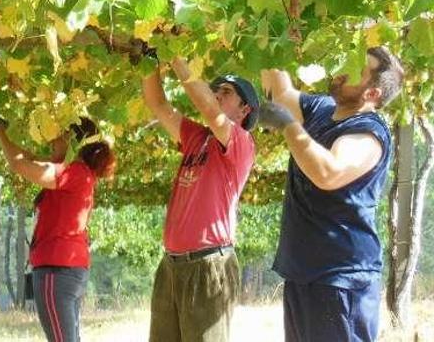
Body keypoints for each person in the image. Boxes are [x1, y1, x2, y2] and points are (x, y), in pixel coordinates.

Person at [258, 46, 404, 342]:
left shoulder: (368, 131)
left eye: (356, 68)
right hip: (304, 275)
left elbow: (330, 172)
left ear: (372, 94)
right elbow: (282, 93)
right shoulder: (323, 109)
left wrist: (288, 124)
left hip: (341, 282)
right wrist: (270, 32)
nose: (343, 68)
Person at [142, 57, 259, 342]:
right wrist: (145, 58)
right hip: (171, 266)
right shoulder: (197, 138)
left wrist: (175, 57)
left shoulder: (241, 142)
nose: (217, 95)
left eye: (226, 93)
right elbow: (159, 105)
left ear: (245, 110)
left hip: (208, 266)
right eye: (216, 90)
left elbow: (208, 108)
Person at [0, 109, 116, 342]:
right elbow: (28, 157)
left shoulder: (75, 173)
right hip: (66, 269)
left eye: (59, 133)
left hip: (56, 271)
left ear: (73, 141)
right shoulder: (78, 172)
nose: (52, 138)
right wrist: (1, 134)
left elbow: (20, 165)